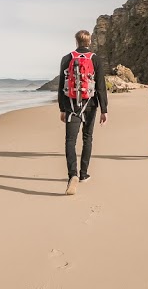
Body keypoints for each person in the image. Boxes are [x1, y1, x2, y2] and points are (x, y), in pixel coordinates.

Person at [58, 30, 108, 195]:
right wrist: (104, 109)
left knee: (70, 141)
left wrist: (62, 109)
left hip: (71, 105)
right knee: (87, 138)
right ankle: (83, 174)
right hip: (90, 105)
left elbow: (61, 86)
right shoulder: (96, 59)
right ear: (89, 41)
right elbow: (100, 86)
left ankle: (72, 174)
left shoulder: (67, 59)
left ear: (76, 41)